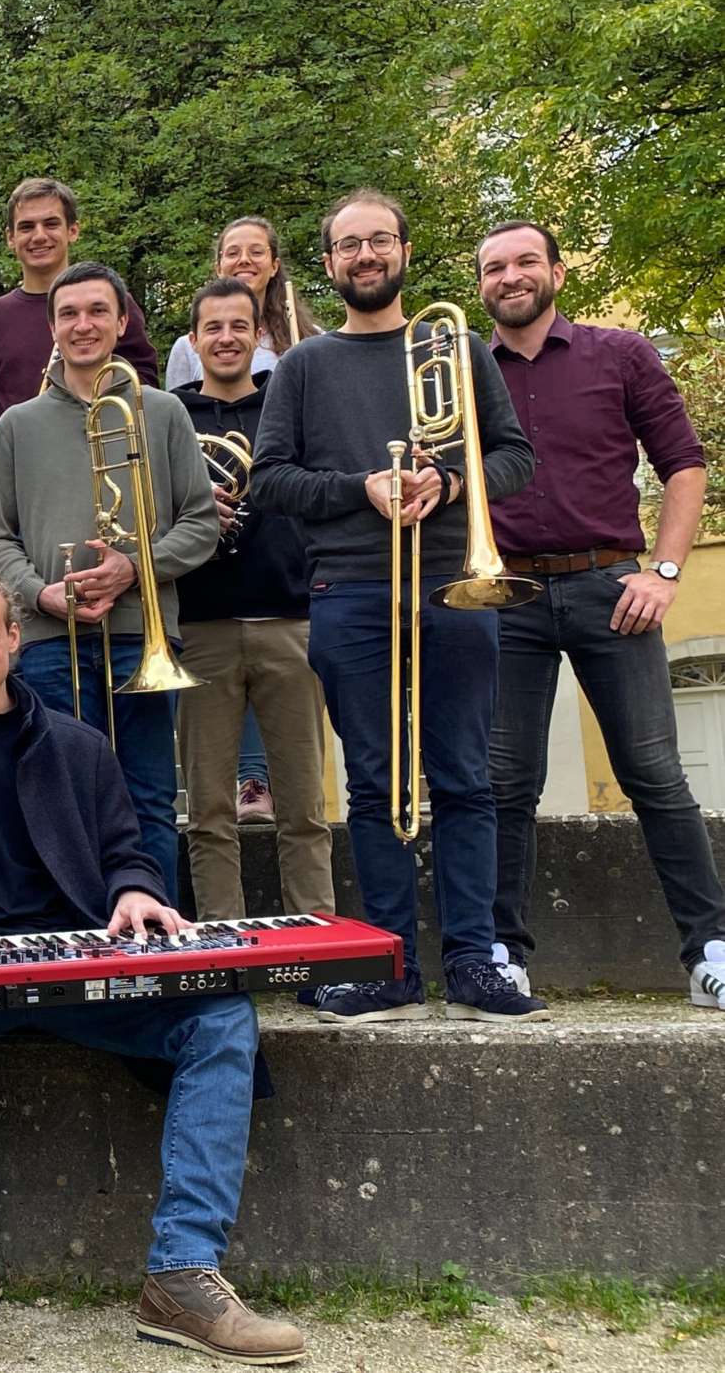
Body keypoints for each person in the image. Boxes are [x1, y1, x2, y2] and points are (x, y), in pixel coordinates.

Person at [0, 570, 305, 1367]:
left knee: (221, 1016)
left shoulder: (81, 746)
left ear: (16, 640)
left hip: (85, 973)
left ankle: (183, 1273)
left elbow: (130, 853)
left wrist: (132, 892)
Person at [250, 186, 546, 1024]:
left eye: (380, 241)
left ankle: (474, 962)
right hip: (349, 589)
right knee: (376, 786)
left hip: (454, 578)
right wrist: (363, 486)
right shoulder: (304, 365)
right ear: (331, 264)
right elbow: (270, 480)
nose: (366, 256)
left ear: (405, 252)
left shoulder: (456, 347)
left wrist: (447, 481)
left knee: (463, 777)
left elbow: (518, 460)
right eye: (350, 246)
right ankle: (388, 965)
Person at [476, 219, 725, 1007]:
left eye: (524, 262)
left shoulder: (620, 353)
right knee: (505, 782)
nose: (509, 277)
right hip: (506, 591)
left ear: (554, 272)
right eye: (493, 268)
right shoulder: (459, 368)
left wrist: (665, 570)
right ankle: (502, 954)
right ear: (481, 285)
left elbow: (684, 465)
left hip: (612, 585)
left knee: (654, 774)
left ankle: (710, 950)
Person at [0, 261, 218, 901]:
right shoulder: (17, 425)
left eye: (96, 312)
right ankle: (74, 945)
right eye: (68, 314)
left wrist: (135, 567)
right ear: (53, 328)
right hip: (49, 640)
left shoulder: (164, 412)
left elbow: (202, 524)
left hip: (144, 636)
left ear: (121, 322)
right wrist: (39, 593)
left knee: (147, 798)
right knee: (57, 799)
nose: (82, 325)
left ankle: (156, 948)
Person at [169, 278, 333, 920]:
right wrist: (195, 508)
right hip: (201, 623)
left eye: (239, 326)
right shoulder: (171, 413)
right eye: (213, 327)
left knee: (303, 804)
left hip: (290, 615)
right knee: (208, 808)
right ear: (194, 340)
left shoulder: (289, 403)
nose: (227, 338)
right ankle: (223, 948)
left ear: (259, 334)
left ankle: (317, 945)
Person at [0, 178, 160, 418]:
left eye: (51, 223)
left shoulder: (111, 303)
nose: (39, 236)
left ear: (73, 231)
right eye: (26, 227)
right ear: (10, 238)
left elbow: (144, 388)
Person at [164, 215, 323, 389]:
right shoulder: (186, 348)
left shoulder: (310, 339)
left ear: (274, 266)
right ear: (219, 267)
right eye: (233, 253)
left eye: (256, 252)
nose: (244, 260)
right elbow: (179, 412)